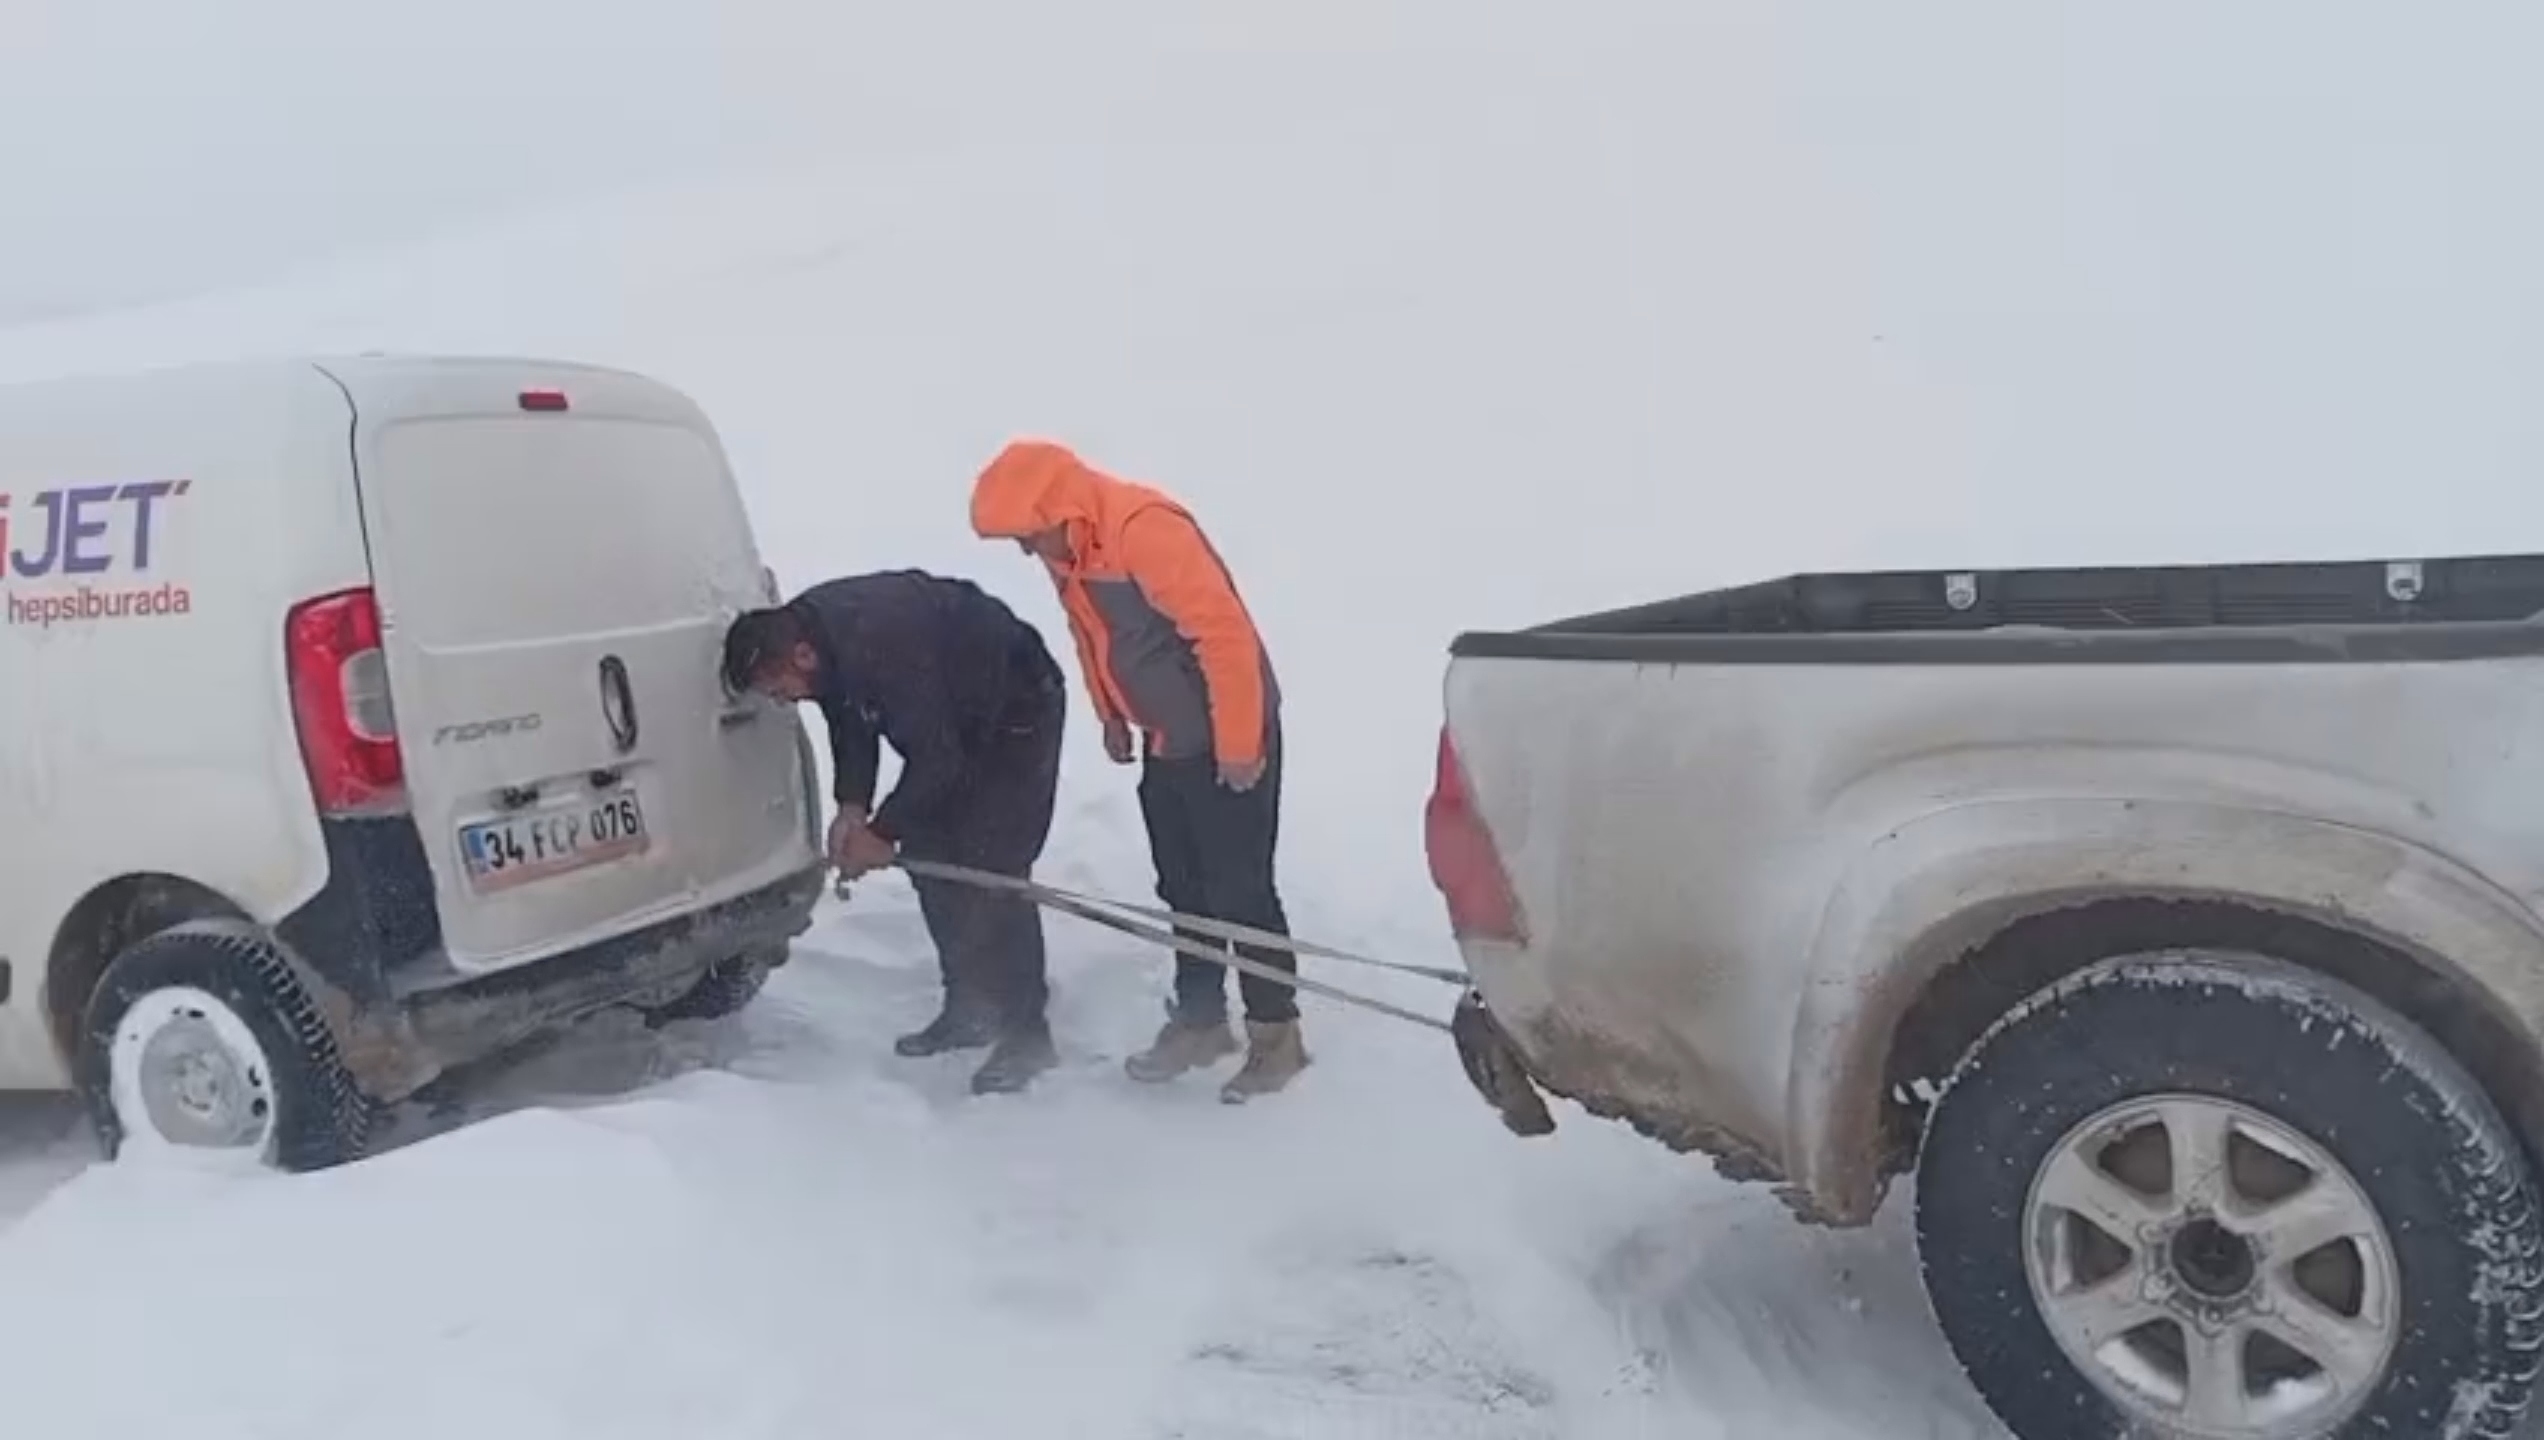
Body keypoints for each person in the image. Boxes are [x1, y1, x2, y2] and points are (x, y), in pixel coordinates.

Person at [968, 439, 1308, 1104]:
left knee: (1239, 891)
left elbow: (1226, 635)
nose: (1026, 551)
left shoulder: (1142, 530)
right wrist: (1111, 713)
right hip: (1166, 737)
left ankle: (1277, 1036)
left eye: (1029, 536)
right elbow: (1090, 633)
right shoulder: (1069, 549)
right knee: (1182, 885)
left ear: (1059, 511)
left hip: (1227, 732)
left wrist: (1238, 743)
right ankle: (1202, 1020)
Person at [721, 570, 1068, 1095]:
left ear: (800, 658)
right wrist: (853, 806)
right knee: (930, 852)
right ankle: (969, 1004)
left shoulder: (883, 643)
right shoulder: (812, 632)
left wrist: (882, 832)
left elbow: (940, 757)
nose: (782, 702)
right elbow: (849, 719)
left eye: (778, 690)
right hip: (948, 722)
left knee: (994, 869)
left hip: (1012, 714)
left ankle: (1027, 1031)